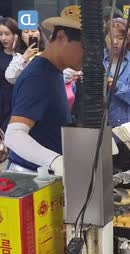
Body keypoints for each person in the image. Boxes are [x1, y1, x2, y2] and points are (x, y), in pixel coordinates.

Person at [4, 6, 84, 175]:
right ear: (61, 37)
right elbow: (14, 135)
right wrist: (55, 161)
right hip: (31, 177)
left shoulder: (54, 71)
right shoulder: (38, 76)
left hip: (44, 175)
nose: (89, 55)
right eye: (84, 47)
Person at [0, 17, 18, 132]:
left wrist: (16, 49)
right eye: (0, 34)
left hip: (17, 100)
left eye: (7, 34)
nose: (3, 38)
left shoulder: (22, 55)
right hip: (2, 101)